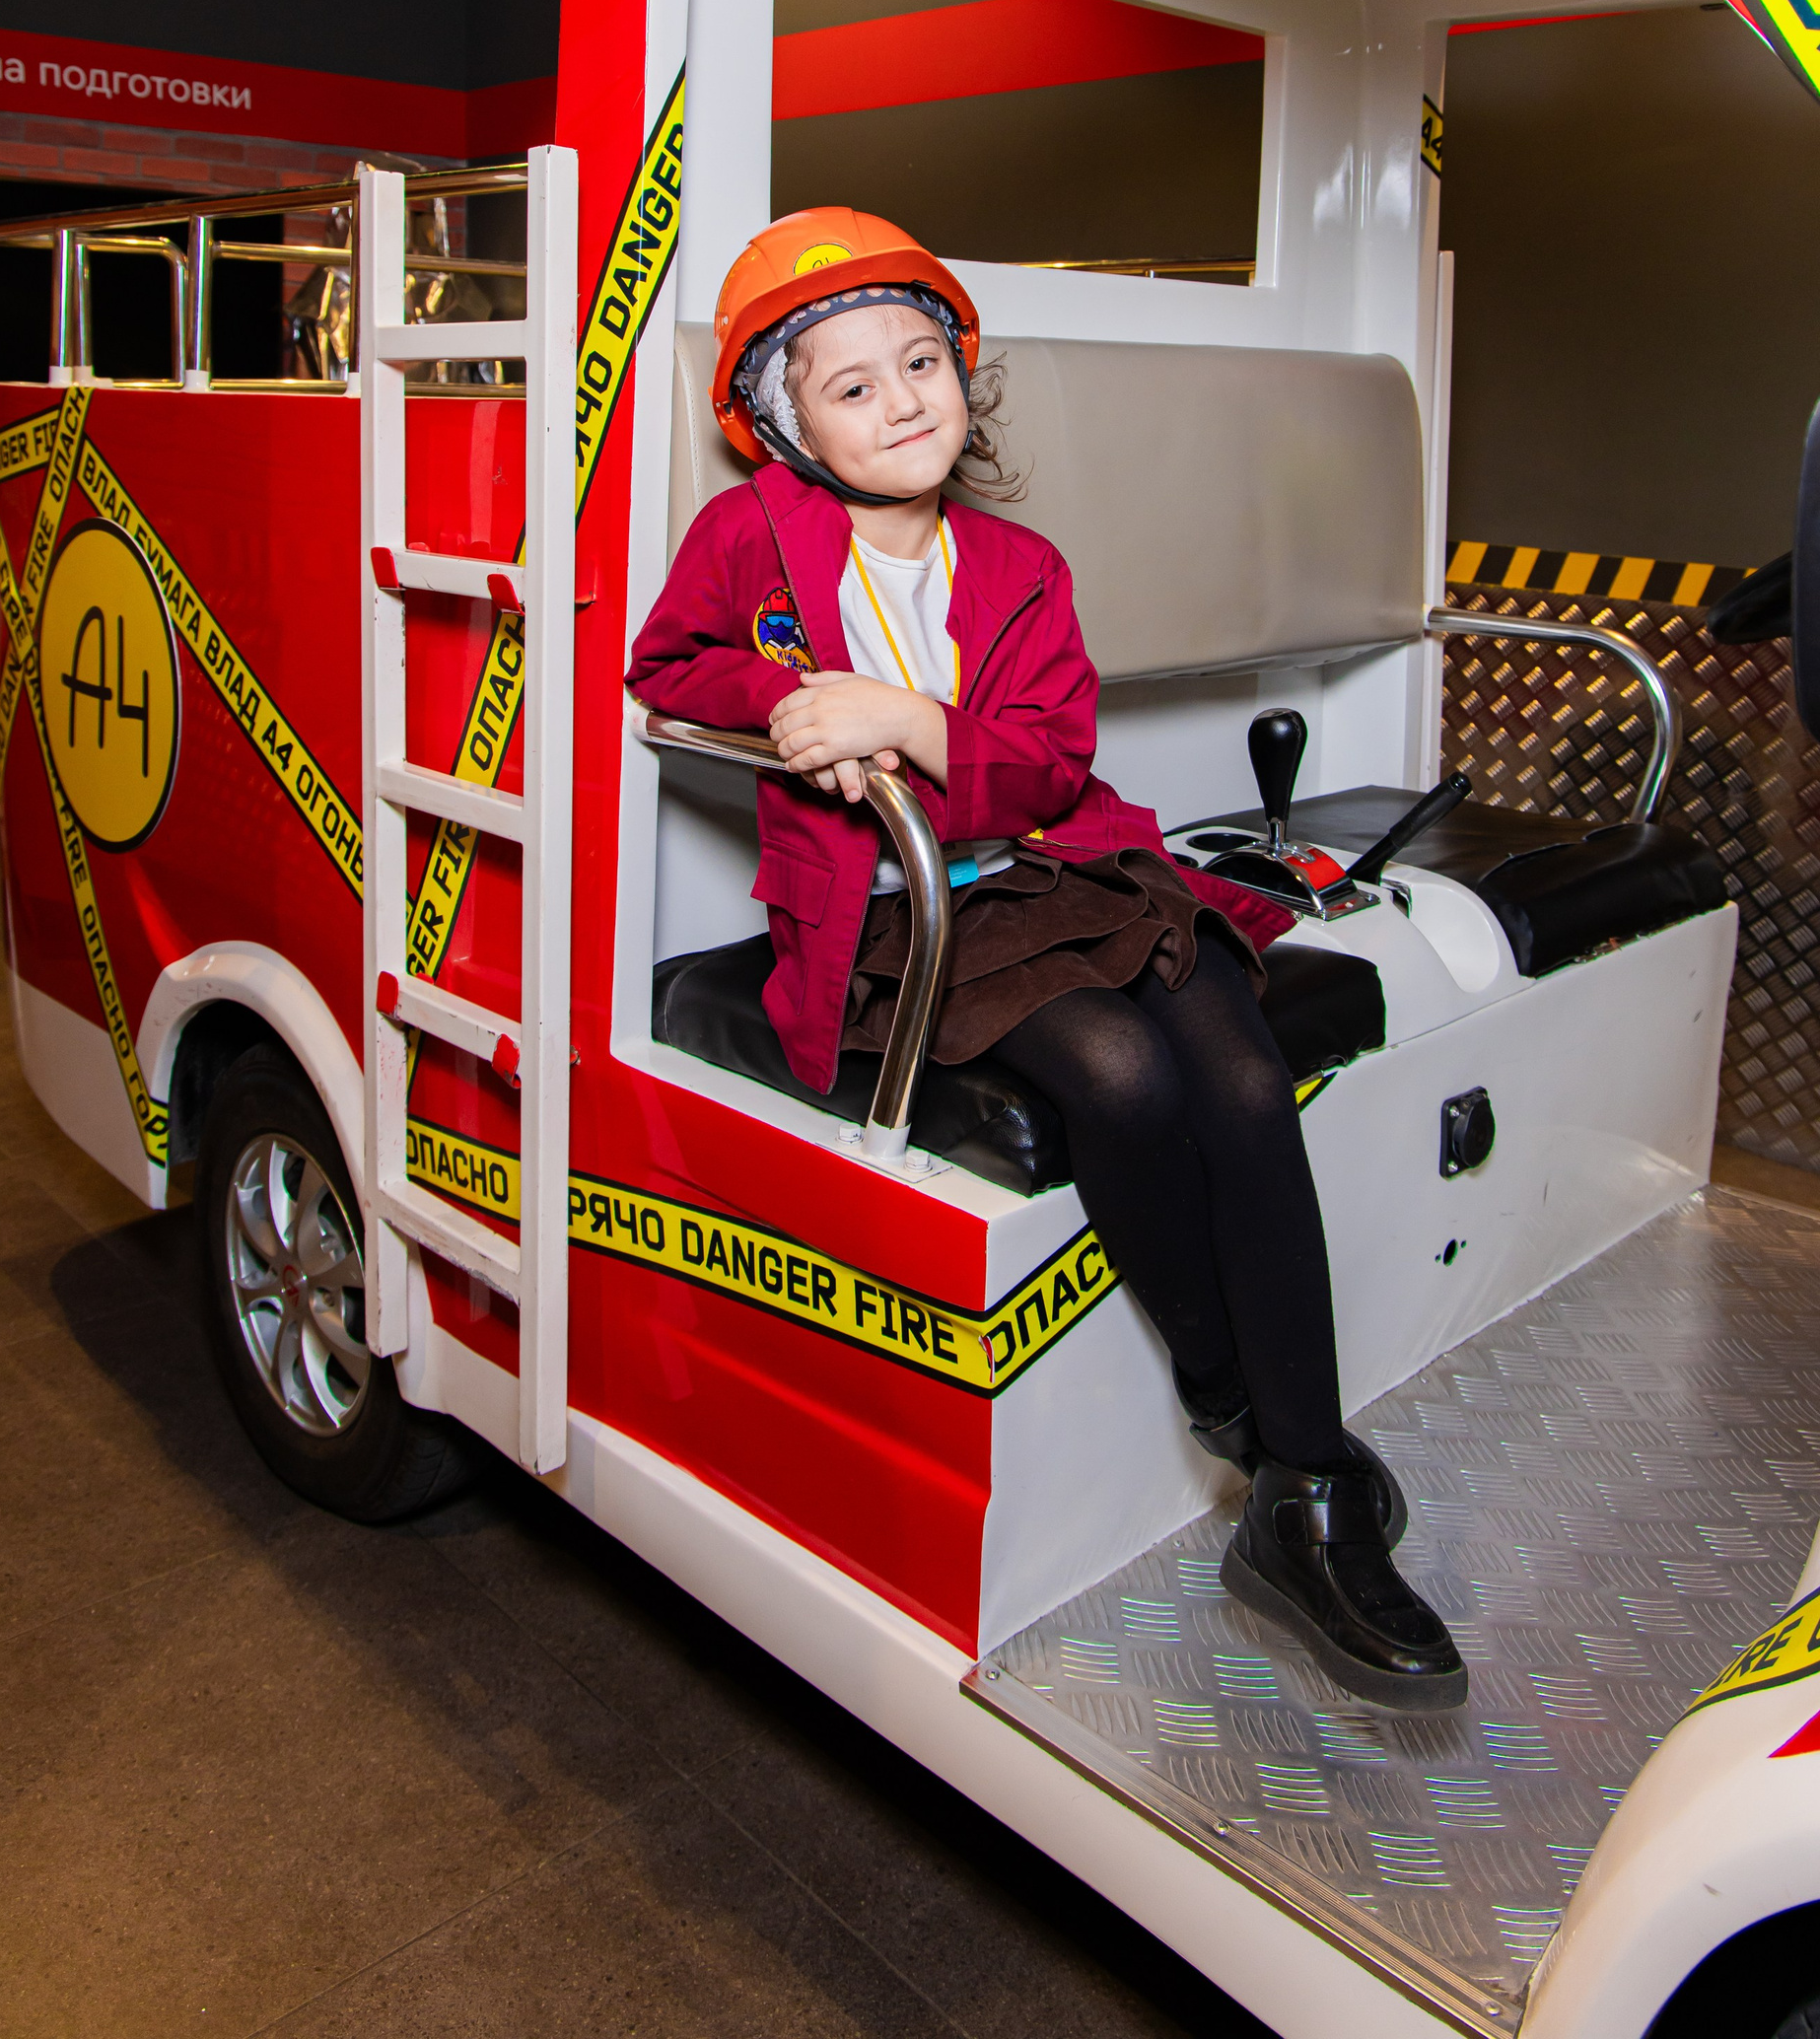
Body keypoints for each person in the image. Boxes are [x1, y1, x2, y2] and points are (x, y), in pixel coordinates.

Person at [627, 207, 1463, 1712]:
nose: (904, 402)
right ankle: (1237, 1407)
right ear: (785, 425)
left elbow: (1043, 766)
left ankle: (1309, 1482)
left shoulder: (1017, 564)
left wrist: (901, 718)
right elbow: (670, 665)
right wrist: (795, 698)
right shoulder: (749, 540)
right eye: (852, 385)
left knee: (1243, 1083)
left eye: (922, 362)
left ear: (963, 373)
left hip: (1061, 865)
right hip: (901, 909)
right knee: (1123, 1079)